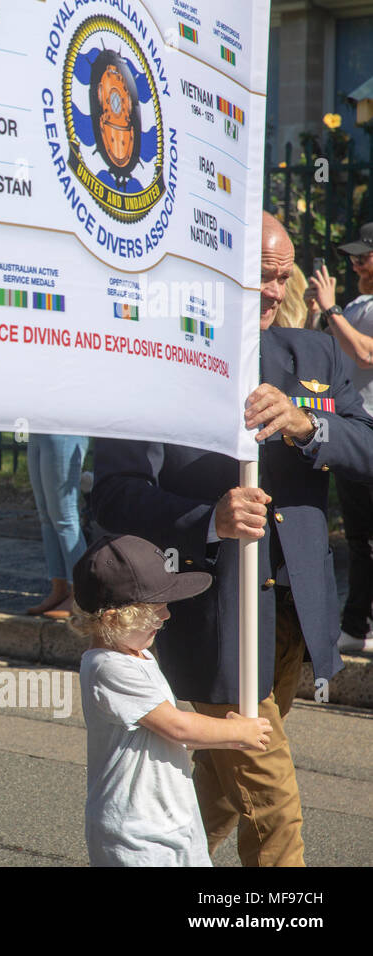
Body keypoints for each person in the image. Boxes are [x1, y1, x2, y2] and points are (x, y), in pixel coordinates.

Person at [91, 211, 373, 867]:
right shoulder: (158, 358)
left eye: (283, 277)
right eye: (260, 279)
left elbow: (366, 443)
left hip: (293, 614)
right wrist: (208, 519)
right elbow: (113, 491)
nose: (275, 293)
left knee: (220, 792)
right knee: (274, 802)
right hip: (216, 613)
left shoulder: (313, 352)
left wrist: (309, 427)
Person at [72, 534, 272, 867]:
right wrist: (237, 733)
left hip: (168, 817)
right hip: (135, 833)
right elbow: (177, 727)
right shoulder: (107, 666)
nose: (166, 616)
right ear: (112, 619)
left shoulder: (136, 655)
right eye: (153, 611)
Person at [311, 222, 373, 654]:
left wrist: (332, 311)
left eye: (363, 256)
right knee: (359, 535)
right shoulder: (357, 304)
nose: (354, 264)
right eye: (352, 256)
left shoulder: (353, 307)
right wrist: (320, 312)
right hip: (352, 427)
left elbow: (366, 354)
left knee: (364, 536)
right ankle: (358, 624)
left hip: (367, 429)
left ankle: (359, 624)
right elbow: (327, 350)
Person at [25, 433, 91, 619]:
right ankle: (59, 589)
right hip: (36, 429)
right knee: (46, 516)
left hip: (63, 430)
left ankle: (81, 596)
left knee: (65, 517)